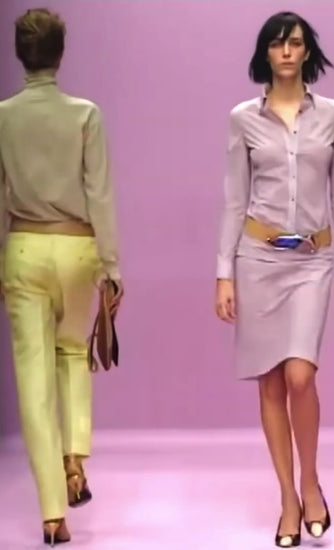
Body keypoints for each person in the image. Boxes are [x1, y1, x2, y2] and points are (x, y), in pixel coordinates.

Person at [215, 11, 334, 548]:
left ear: (307, 51)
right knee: (271, 382)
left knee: (301, 375)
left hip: (312, 262)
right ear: (265, 53)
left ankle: (311, 480)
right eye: (277, 44)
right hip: (256, 258)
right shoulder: (243, 119)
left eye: (295, 43)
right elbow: (234, 199)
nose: (286, 52)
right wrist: (224, 273)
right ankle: (287, 498)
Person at [0, 9, 123, 546]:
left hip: (24, 247)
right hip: (77, 247)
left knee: (33, 379)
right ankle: (76, 456)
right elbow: (100, 194)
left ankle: (53, 516)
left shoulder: (2, 118)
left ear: (19, 54)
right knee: (73, 353)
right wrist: (111, 267)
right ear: (60, 54)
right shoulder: (85, 114)